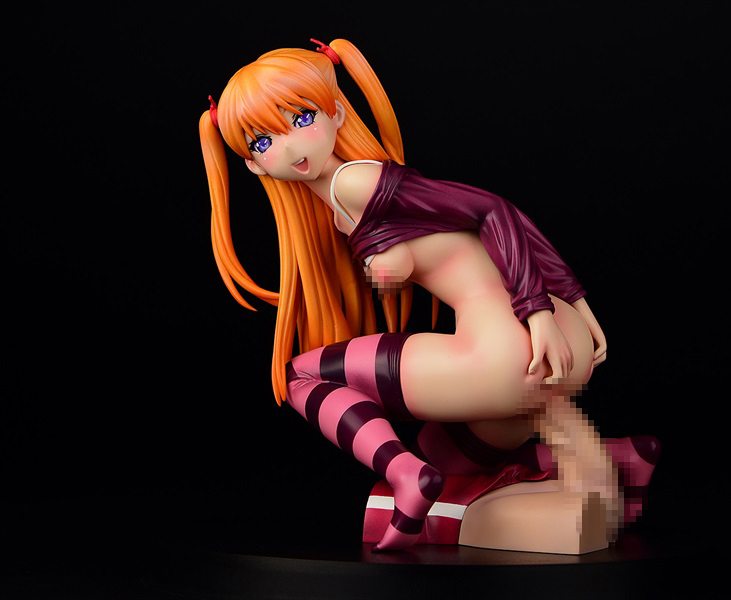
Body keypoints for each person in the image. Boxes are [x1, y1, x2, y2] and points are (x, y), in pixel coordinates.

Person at [200, 39, 652, 553]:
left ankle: (406, 477)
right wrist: (572, 304)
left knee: (300, 376)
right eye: (263, 142)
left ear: (337, 112)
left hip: (511, 345)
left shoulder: (356, 182)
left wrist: (538, 310)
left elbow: (492, 210)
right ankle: (618, 461)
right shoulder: (342, 200)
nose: (289, 147)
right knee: (445, 453)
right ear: (255, 167)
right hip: (548, 339)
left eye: (302, 118)